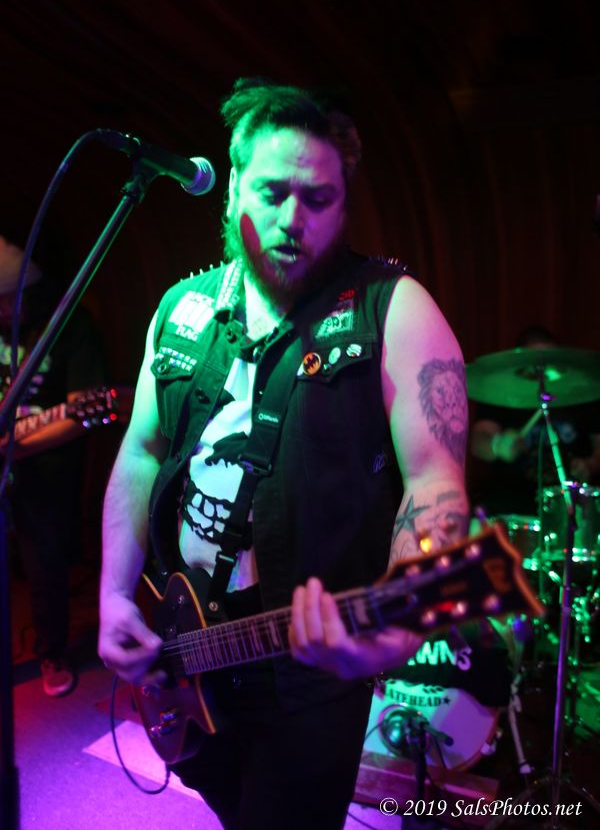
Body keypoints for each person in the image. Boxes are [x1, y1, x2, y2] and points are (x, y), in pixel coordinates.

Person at [98, 79, 469, 830]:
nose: (292, 218)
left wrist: (396, 627)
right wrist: (112, 593)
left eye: (317, 198)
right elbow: (141, 450)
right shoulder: (180, 309)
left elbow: (434, 483)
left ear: (344, 202)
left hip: (306, 675)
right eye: (271, 192)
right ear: (234, 184)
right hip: (186, 648)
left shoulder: (394, 309)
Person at [0, 236, 107, 696]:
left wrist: (18, 448)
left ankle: (52, 652)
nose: (4, 311)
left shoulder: (67, 326)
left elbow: (82, 412)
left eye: (8, 300)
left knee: (46, 566)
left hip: (43, 472)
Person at [470, 326, 600, 518]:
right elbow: (478, 442)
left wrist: (590, 465)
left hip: (570, 503)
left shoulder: (583, 394)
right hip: (513, 501)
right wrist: (498, 445)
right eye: (534, 364)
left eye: (548, 363)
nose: (542, 369)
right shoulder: (501, 394)